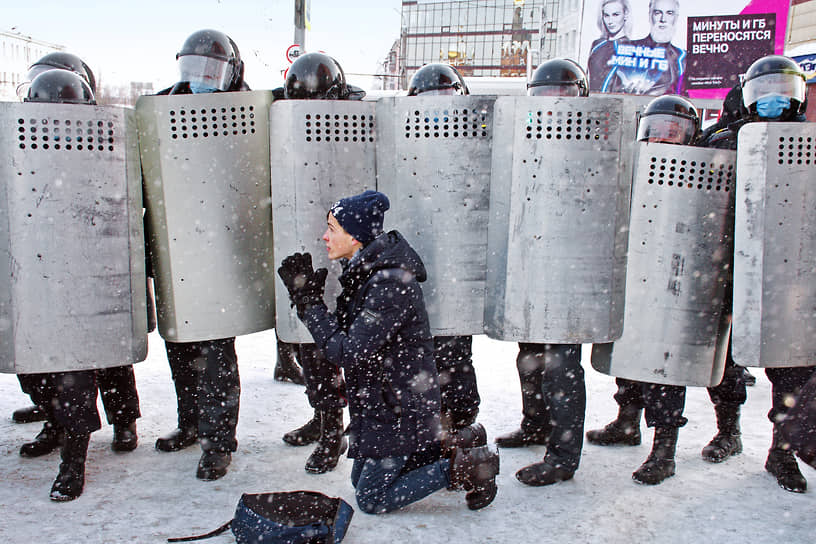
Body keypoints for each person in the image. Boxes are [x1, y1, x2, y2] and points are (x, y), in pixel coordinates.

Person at [277, 190, 498, 513]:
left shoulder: (389, 283)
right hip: (381, 400)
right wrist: (308, 298)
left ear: (355, 236)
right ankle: (461, 441)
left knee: (372, 498)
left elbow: (347, 351)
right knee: (359, 481)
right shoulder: (363, 269)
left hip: (400, 408)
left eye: (333, 229)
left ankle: (470, 465)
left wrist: (309, 305)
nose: (325, 236)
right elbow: (344, 336)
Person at [20, 69, 142, 501]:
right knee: (37, 363)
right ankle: (56, 425)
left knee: (89, 367)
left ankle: (79, 453)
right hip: (38, 274)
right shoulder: (21, 145)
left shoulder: (103, 143)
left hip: (92, 276)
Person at [699, 55, 813, 493]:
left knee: (792, 368)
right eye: (763, 92)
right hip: (725, 267)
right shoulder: (723, 140)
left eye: (782, 91)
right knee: (724, 360)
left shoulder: (809, 140)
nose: (772, 101)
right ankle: (728, 430)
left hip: (791, 272)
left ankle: (782, 452)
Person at [586, 95, 702, 485]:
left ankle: (665, 450)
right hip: (633, 277)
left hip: (675, 282)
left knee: (664, 369)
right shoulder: (631, 164)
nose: (663, 139)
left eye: (673, 132)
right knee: (629, 357)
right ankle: (627, 422)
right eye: (656, 131)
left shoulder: (700, 168)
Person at [150, 29, 247, 481]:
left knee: (215, 354)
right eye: (194, 70)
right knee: (180, 350)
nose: (202, 79)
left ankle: (218, 442)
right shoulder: (165, 104)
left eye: (212, 70)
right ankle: (190, 422)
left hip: (218, 252)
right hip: (177, 249)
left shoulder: (244, 108)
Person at [495, 59, 589, 488]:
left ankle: (563, 455)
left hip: (570, 274)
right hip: (533, 267)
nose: (554, 104)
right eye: (545, 95)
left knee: (561, 367)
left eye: (562, 95)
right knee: (530, 359)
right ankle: (535, 424)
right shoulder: (526, 135)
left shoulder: (593, 137)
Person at [274, 52, 366, 475]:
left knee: (331, 351)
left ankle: (335, 432)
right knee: (310, 349)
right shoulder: (283, 119)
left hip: (345, 251)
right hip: (306, 240)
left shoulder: (358, 117)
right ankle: (323, 419)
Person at [405, 63, 482, 432]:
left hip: (456, 272)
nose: (439, 114)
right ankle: (431, 426)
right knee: (420, 355)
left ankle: (460, 422)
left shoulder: (473, 142)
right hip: (419, 264)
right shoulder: (406, 142)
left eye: (446, 101)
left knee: (453, 351)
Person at [601, 0, 685, 95]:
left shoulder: (682, 58)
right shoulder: (626, 49)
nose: (663, 19)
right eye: (657, 13)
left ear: (676, 17)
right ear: (650, 16)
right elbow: (608, 90)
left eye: (669, 13)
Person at [587, 0, 632, 92]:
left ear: (625, 15)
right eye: (606, 15)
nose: (610, 21)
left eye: (616, 15)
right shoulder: (597, 45)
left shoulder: (631, 47)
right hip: (592, 101)